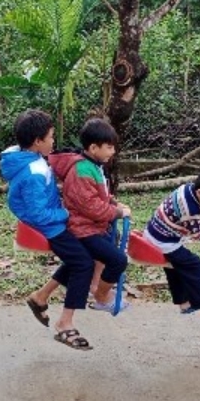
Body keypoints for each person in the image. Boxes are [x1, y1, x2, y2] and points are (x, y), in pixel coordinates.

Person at [1, 109, 95, 350]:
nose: (54, 141)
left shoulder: (26, 157)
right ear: (37, 141)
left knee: (83, 256)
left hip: (53, 218)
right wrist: (67, 213)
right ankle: (65, 324)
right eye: (51, 137)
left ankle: (40, 297)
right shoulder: (33, 172)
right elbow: (38, 214)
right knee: (84, 263)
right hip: (50, 226)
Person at [47, 117, 131, 313]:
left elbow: (98, 194)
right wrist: (116, 212)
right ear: (94, 148)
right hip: (83, 228)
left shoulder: (92, 166)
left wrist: (113, 202)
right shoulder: (82, 169)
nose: (113, 152)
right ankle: (101, 295)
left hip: (92, 226)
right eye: (109, 147)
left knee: (85, 259)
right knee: (118, 260)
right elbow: (90, 206)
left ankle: (44, 296)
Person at [143, 167, 200, 323]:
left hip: (154, 232)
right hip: (164, 241)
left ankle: (184, 302)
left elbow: (191, 220)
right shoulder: (191, 210)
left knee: (173, 266)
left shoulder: (186, 188)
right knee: (196, 267)